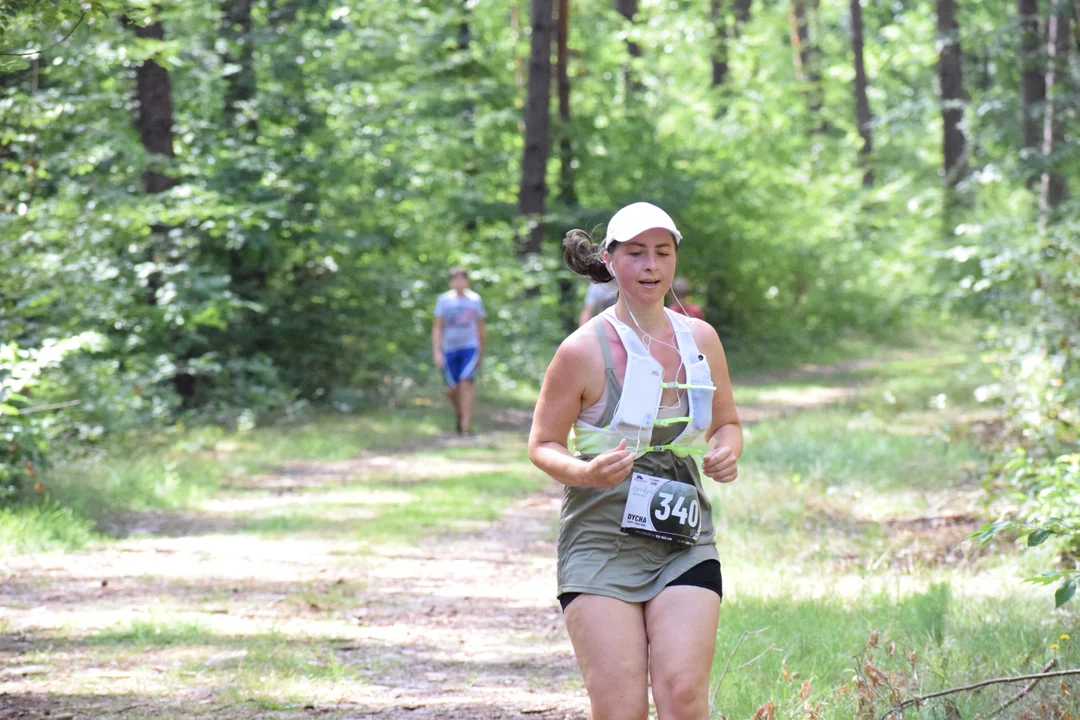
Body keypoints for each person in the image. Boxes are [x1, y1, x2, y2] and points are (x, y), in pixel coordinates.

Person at [528, 201, 742, 720]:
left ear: (673, 261)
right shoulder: (581, 350)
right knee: (620, 709)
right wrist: (584, 472)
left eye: (662, 253)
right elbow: (542, 443)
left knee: (684, 697)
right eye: (637, 253)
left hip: (683, 538)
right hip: (600, 537)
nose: (651, 266)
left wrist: (727, 451)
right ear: (609, 260)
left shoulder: (701, 339)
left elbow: (728, 422)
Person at [432, 267, 486, 435]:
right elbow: (437, 328)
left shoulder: (475, 300)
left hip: (470, 347)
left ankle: (465, 426)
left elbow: (480, 328)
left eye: (462, 279)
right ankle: (460, 414)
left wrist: (481, 354)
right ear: (451, 282)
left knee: (466, 382)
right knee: (452, 389)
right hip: (450, 348)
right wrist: (437, 352)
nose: (459, 282)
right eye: (455, 279)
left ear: (467, 281)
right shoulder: (444, 300)